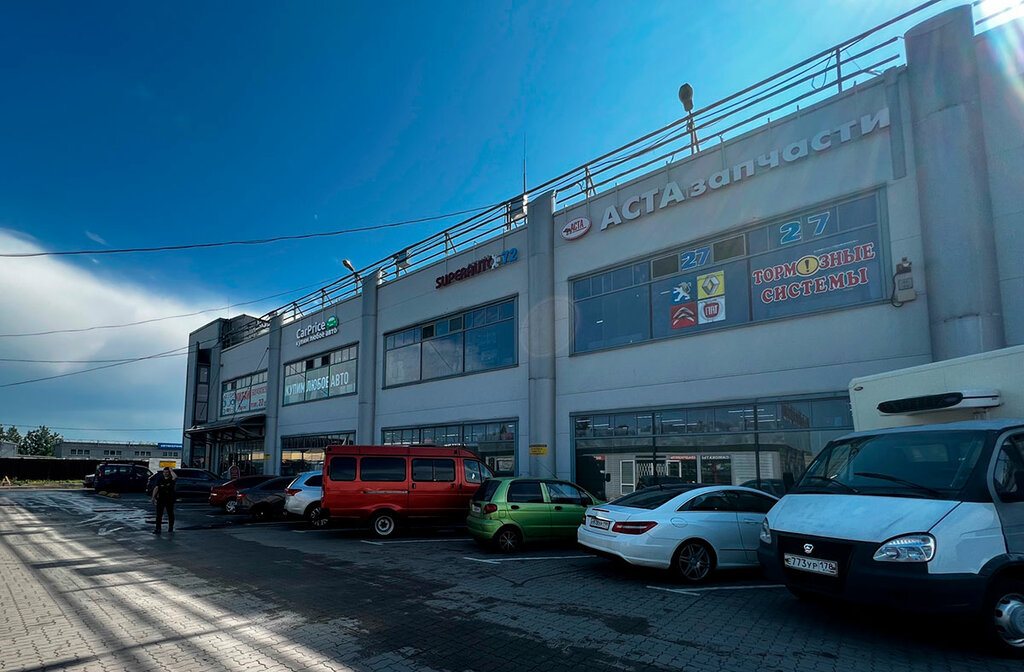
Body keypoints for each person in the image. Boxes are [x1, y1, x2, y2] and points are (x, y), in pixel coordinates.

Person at [151, 467, 177, 534]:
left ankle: (170, 527)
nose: (165, 473)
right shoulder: (160, 479)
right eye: (164, 472)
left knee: (170, 514)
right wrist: (153, 497)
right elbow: (156, 488)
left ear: (169, 473)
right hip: (161, 499)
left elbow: (175, 477)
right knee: (159, 515)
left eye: (167, 472)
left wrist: (171, 470)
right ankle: (158, 529)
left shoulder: (171, 479)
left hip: (169, 499)